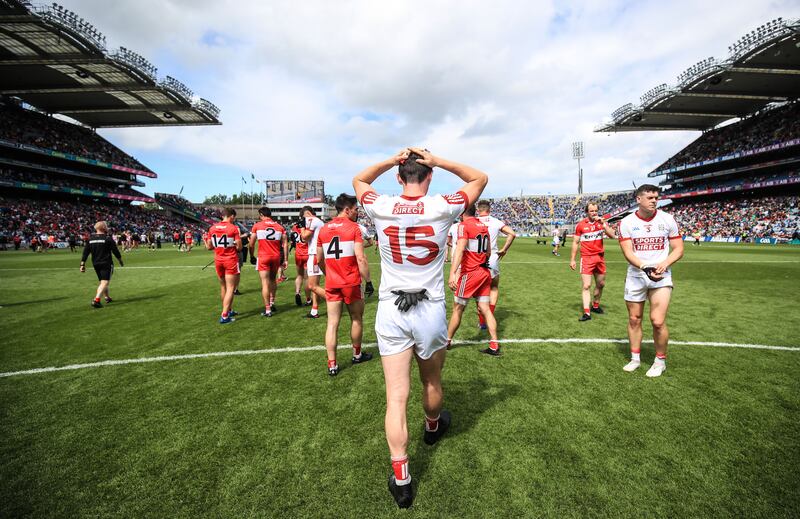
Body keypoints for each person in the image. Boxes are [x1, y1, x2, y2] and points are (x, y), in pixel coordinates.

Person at [354, 147, 487, 509]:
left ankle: (402, 479)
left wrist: (390, 159)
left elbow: (360, 180)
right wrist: (439, 160)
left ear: (399, 177)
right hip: (428, 308)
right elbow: (479, 178)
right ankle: (432, 427)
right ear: (428, 176)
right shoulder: (442, 205)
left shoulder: (381, 206)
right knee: (431, 381)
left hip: (391, 308)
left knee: (396, 397)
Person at [618, 185, 684, 377]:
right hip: (636, 275)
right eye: (650, 197)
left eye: (656, 197)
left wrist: (664, 263)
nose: (654, 200)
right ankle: (635, 358)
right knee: (634, 319)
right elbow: (628, 252)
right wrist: (644, 267)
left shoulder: (667, 219)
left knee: (657, 320)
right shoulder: (627, 222)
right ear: (638, 199)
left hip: (661, 276)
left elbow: (678, 249)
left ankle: (660, 361)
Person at [316, 193, 373, 375]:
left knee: (332, 323)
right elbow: (361, 257)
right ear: (347, 209)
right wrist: (369, 281)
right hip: (351, 281)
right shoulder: (354, 228)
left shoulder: (323, 229)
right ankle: (356, 355)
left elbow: (318, 259)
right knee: (356, 318)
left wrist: (330, 274)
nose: (357, 213)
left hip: (332, 282)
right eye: (356, 209)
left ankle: (332, 364)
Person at [446, 204, 501, 355]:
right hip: (484, 272)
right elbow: (489, 251)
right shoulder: (483, 226)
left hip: (470, 273)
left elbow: (460, 249)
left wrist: (452, 273)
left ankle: (447, 341)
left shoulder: (464, 225)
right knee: (485, 309)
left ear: (462, 213)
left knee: (458, 308)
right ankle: (494, 344)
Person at [569, 202, 617, 321]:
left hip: (599, 258)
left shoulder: (601, 223)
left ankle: (595, 305)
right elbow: (575, 242)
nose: (594, 213)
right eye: (591, 211)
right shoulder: (580, 225)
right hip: (586, 258)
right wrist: (572, 259)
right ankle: (587, 313)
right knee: (586, 285)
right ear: (587, 212)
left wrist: (604, 225)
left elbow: (612, 236)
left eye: (596, 210)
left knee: (601, 284)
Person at [475, 199, 516, 330]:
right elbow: (512, 234)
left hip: (475, 258)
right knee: (493, 287)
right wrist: (504, 250)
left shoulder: (473, 222)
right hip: (491, 256)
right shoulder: (495, 221)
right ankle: (488, 317)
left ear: (478, 210)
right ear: (489, 210)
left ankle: (482, 322)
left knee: (479, 290)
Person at [205, 208, 242, 324]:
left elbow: (210, 247)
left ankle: (228, 310)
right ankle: (225, 315)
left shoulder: (212, 228)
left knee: (223, 287)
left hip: (218, 260)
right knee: (231, 288)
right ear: (231, 216)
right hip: (230, 259)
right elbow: (239, 248)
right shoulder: (233, 228)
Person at [249, 207, 288, 317]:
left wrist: (251, 256)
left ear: (261, 214)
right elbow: (285, 244)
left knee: (265, 283)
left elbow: (251, 243)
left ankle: (267, 309)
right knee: (273, 280)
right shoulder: (280, 227)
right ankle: (272, 302)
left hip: (263, 257)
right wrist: (285, 259)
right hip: (275, 257)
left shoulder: (257, 226)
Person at [80, 221, 123, 308]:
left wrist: (82, 264)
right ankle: (96, 300)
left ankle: (107, 297)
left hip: (96, 263)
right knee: (105, 282)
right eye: (106, 226)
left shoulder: (90, 239)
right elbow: (115, 251)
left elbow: (85, 252)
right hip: (106, 263)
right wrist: (120, 260)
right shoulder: (107, 238)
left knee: (102, 281)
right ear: (103, 228)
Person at [300, 206, 326, 318]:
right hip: (319, 253)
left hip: (315, 254)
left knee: (311, 285)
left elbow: (304, 237)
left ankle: (335, 299)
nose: (303, 220)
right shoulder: (319, 221)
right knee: (316, 285)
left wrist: (301, 228)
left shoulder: (312, 220)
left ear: (308, 213)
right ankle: (314, 311)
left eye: (303, 217)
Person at [290, 219, 312, 307]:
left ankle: (297, 292)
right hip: (307, 254)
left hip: (298, 254)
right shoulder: (308, 227)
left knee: (299, 275)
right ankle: (308, 299)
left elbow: (292, 238)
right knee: (307, 278)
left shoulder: (294, 227)